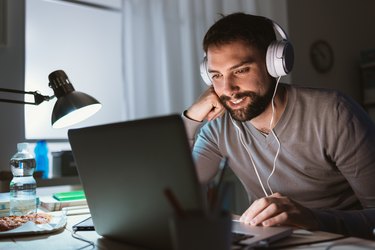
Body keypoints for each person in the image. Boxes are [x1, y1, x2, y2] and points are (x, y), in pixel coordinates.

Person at [182, 12, 375, 239]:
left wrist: (313, 219)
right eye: (216, 75)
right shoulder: (217, 129)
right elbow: (173, 192)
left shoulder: (335, 113)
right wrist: (191, 118)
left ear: (274, 64)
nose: (228, 89)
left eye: (241, 70)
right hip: (269, 242)